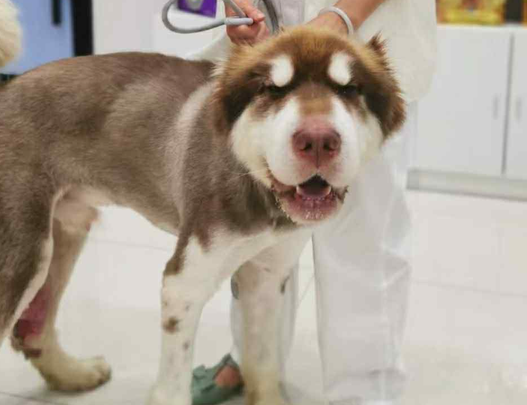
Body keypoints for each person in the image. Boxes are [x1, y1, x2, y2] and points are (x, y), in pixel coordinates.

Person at [186, 1, 437, 405]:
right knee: (258, 240)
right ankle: (252, 361)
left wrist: (343, 17)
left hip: (367, 48)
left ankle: (364, 393)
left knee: (362, 245)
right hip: (268, 49)